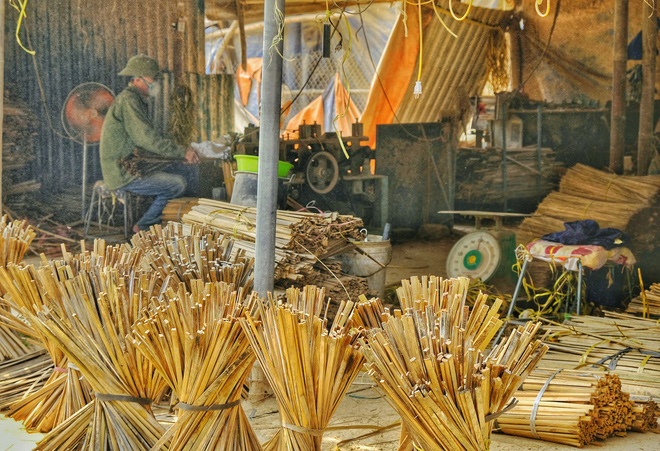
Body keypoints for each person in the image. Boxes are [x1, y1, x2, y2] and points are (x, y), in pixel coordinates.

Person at [99, 55, 199, 233]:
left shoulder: (132, 99)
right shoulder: (129, 101)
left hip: (126, 168)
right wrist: (181, 152)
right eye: (153, 79)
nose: (156, 84)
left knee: (174, 176)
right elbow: (145, 138)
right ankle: (143, 226)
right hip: (122, 174)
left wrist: (176, 155)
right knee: (177, 184)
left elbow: (145, 140)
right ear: (137, 79)